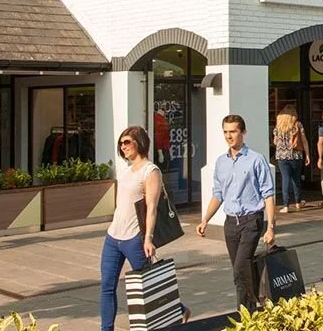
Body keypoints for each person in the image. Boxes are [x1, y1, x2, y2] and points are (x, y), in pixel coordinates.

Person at [101, 127, 188, 331]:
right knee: (106, 286)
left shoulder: (151, 171)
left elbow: (151, 208)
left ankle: (179, 310)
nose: (123, 147)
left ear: (139, 142)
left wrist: (148, 238)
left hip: (134, 238)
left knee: (149, 283)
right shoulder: (127, 170)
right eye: (121, 143)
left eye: (127, 142)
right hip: (113, 236)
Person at [197, 115, 276, 312]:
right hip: (231, 223)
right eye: (225, 132)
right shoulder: (221, 162)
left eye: (233, 131)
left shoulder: (256, 160)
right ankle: (251, 312)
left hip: (251, 221)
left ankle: (245, 312)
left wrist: (271, 227)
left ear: (243, 133)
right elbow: (218, 194)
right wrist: (205, 219)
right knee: (240, 271)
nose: (228, 136)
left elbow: (268, 195)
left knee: (241, 269)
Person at [272, 108, 309, 213]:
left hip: (282, 157)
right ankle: (298, 202)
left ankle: (286, 205)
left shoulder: (278, 126)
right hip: (296, 156)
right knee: (296, 179)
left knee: (285, 179)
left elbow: (275, 142)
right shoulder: (298, 125)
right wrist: (307, 155)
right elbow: (304, 140)